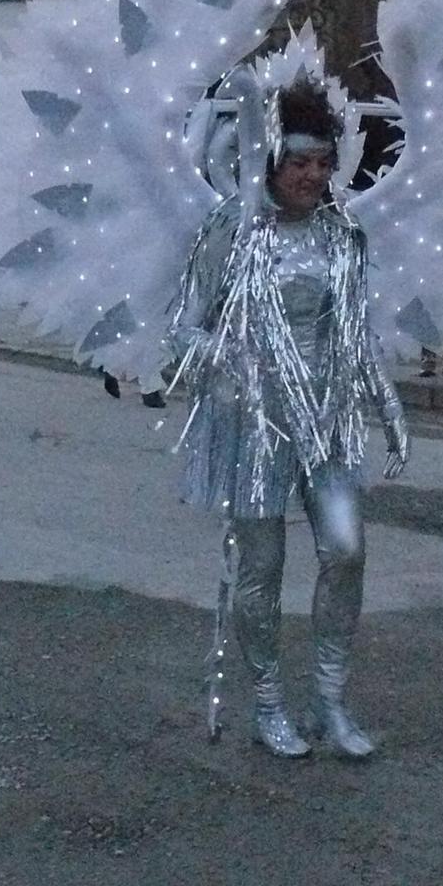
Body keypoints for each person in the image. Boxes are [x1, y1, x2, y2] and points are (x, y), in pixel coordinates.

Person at [169, 76, 410, 758]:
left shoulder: (343, 236)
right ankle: (270, 702)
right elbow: (182, 328)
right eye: (298, 162)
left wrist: (387, 401)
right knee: (261, 570)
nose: (311, 175)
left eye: (322, 163)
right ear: (269, 161)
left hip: (327, 424)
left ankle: (331, 702)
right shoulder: (230, 231)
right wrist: (226, 357)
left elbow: (356, 333)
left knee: (346, 550)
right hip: (252, 427)